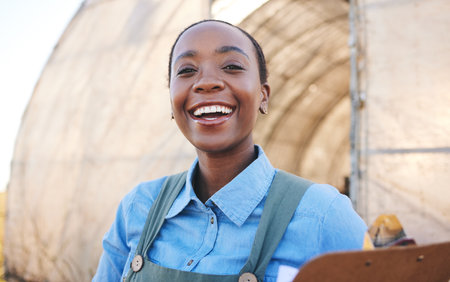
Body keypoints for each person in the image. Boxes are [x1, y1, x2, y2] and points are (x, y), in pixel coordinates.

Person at [93, 19, 367, 282]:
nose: (207, 82)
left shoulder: (322, 215)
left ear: (263, 95)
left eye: (232, 66)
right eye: (187, 70)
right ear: (171, 100)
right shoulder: (138, 207)